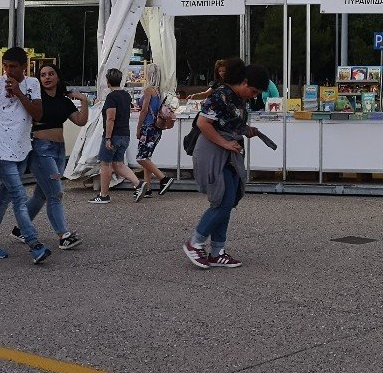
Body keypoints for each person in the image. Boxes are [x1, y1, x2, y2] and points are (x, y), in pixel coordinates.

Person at [182, 59, 267, 270]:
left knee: (229, 200)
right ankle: (195, 243)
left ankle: (217, 251)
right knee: (222, 201)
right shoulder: (220, 95)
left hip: (229, 153)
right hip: (213, 152)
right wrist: (225, 143)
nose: (254, 96)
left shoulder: (238, 99)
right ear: (244, 82)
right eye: (254, 91)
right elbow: (203, 123)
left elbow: (230, 122)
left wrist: (246, 130)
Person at [0, 47, 51, 264]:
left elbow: (37, 114)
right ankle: (34, 244)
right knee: (19, 197)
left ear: (24, 66)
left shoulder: (33, 84)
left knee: (3, 198)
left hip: (23, 149)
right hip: (2, 150)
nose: (8, 71)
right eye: (5, 66)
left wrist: (18, 91)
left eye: (13, 66)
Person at [11, 62, 86, 250]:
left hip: (59, 151)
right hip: (41, 150)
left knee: (42, 194)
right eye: (43, 75)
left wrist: (84, 101)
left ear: (57, 77)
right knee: (55, 193)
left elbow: (80, 121)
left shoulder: (63, 100)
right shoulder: (36, 99)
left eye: (51, 74)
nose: (47, 77)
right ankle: (63, 235)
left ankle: (21, 228)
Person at [92, 68, 139, 203]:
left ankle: (104, 195)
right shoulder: (126, 95)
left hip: (114, 135)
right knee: (118, 164)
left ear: (108, 82)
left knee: (105, 164)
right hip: (125, 134)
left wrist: (107, 137)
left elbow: (110, 118)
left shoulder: (112, 97)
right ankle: (138, 184)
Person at [134, 63, 174, 200]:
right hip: (157, 128)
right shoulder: (159, 92)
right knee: (147, 158)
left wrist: (138, 128)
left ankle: (163, 178)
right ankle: (148, 188)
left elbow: (144, 110)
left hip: (148, 127)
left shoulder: (148, 90)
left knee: (141, 158)